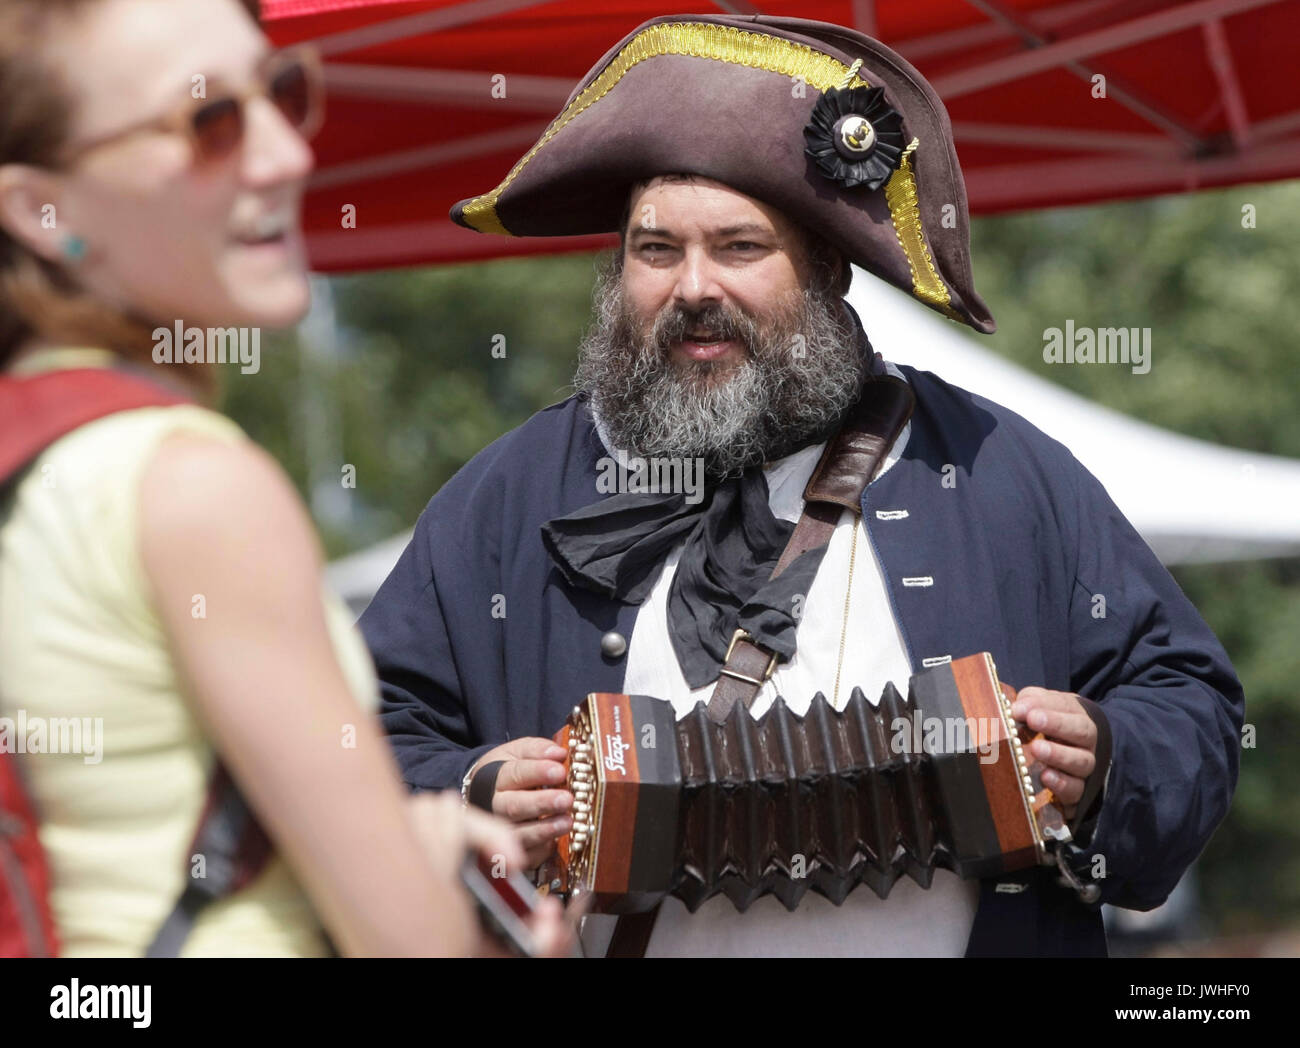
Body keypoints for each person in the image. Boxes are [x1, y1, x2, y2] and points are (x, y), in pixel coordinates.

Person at [359, 13, 1244, 957]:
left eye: (739, 248)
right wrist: (473, 792)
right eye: (656, 250)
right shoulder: (511, 496)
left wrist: (1104, 757)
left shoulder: (995, 470)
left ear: (828, 271)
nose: (692, 286)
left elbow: (1189, 702)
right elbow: (351, 745)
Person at [0, 0, 570, 957]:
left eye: (282, 90)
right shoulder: (193, 486)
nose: (288, 154)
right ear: (37, 211)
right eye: (207, 121)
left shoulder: (43, 457)